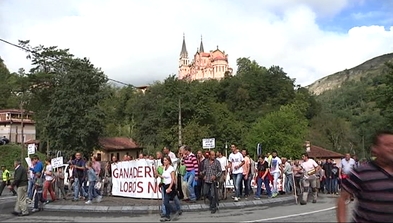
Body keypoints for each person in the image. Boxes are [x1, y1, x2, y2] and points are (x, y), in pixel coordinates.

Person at [337, 130, 393, 222]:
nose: (392, 148)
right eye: (387, 145)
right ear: (375, 149)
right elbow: (342, 199)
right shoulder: (361, 172)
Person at [159, 156, 181, 222]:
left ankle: (172, 211)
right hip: (165, 186)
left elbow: (172, 179)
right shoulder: (164, 168)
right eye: (163, 160)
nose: (164, 161)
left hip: (170, 186)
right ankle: (169, 215)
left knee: (165, 202)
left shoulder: (171, 169)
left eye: (165, 160)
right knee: (172, 199)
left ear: (169, 161)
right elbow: (164, 176)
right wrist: (158, 175)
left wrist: (169, 187)